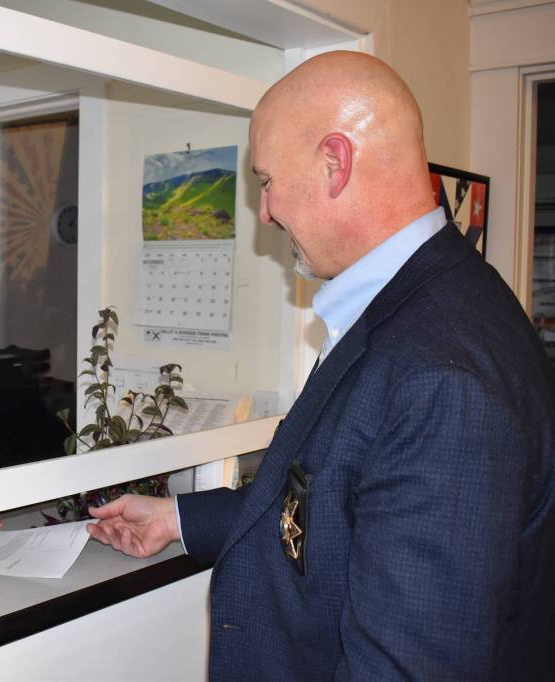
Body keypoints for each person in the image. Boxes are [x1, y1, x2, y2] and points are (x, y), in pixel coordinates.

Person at [87, 51, 555, 679]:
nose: (266, 212)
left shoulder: (442, 378)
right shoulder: (431, 299)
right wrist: (177, 518)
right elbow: (335, 501)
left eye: (268, 181)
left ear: (336, 162)